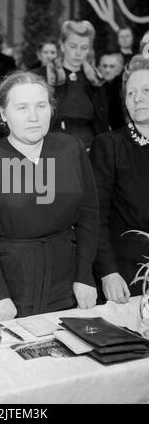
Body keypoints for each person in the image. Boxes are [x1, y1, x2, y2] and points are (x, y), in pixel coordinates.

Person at [0, 71, 99, 325]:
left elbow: (89, 216)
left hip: (67, 284)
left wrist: (84, 275)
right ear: (2, 113)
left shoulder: (72, 148)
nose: (34, 117)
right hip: (9, 290)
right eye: (22, 108)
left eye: (41, 106)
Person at [90, 54, 149, 303]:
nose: (138, 98)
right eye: (131, 93)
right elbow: (95, 215)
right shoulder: (109, 145)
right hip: (127, 275)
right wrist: (108, 272)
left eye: (146, 90)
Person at [51, 20, 109, 150]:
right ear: (61, 45)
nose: (78, 53)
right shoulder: (45, 77)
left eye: (84, 48)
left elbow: (102, 124)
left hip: (89, 149)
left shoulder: (97, 81)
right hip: (53, 147)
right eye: (73, 46)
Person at [98, 52, 125, 130]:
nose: (107, 70)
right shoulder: (94, 87)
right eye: (104, 66)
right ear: (99, 68)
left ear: (120, 69)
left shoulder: (124, 89)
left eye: (112, 66)